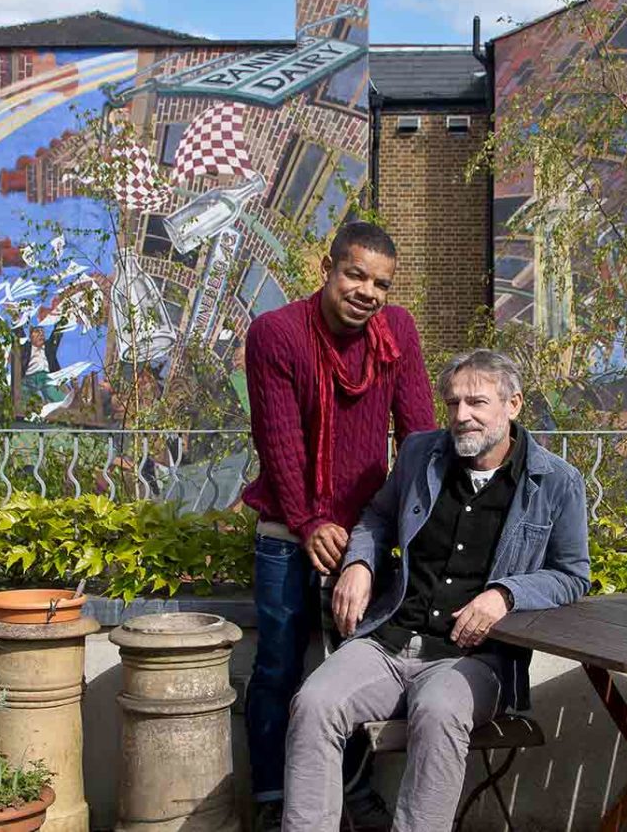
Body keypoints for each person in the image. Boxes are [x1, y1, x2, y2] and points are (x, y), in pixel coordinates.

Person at [283, 349, 591, 831]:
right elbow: (378, 517)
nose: (461, 416)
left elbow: (572, 575)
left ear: (513, 405)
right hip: (388, 640)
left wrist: (505, 594)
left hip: (473, 659)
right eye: (452, 404)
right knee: (315, 701)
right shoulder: (419, 454)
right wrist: (361, 563)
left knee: (439, 710)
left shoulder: (555, 481)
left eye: (477, 403)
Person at [242, 221, 436, 830]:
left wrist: (410, 525)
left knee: (353, 669)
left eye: (381, 283)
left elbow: (420, 436)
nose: (367, 292)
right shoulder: (276, 333)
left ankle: (353, 793)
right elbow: (278, 442)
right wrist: (308, 522)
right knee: (278, 667)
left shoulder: (396, 331)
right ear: (327, 268)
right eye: (355, 275)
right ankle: (275, 800)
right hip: (287, 532)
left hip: (365, 539)